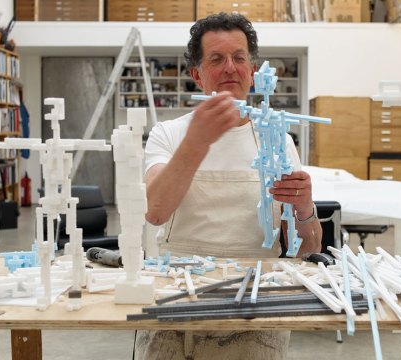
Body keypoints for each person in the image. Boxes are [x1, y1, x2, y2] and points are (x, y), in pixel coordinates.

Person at [137, 12, 322, 360]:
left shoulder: (276, 140)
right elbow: (155, 211)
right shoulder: (170, 135)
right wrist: (197, 141)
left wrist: (305, 209)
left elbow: (306, 249)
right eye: (216, 59)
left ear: (253, 72)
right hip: (179, 295)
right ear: (197, 74)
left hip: (257, 304)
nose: (230, 69)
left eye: (239, 58)